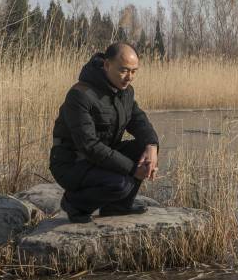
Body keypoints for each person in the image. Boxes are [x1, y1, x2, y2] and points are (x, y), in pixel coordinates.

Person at [49, 42, 159, 223]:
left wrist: (152, 146)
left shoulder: (126, 92)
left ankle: (118, 207)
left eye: (134, 71)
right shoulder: (80, 95)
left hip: (100, 158)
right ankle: (74, 204)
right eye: (124, 70)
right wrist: (133, 169)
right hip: (71, 163)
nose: (129, 77)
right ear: (107, 65)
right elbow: (89, 146)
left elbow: (140, 123)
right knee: (121, 184)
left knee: (144, 149)